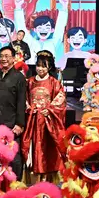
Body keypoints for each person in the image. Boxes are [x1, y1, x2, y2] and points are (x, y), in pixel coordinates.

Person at [22, 53, 66, 185]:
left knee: (48, 149)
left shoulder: (54, 83)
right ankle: (34, 179)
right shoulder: (29, 82)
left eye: (44, 66)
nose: (40, 69)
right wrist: (29, 108)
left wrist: (50, 109)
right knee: (33, 148)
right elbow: (24, 99)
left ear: (49, 67)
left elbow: (61, 99)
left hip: (48, 122)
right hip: (33, 121)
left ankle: (48, 179)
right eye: (38, 66)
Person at [0, 45, 26, 178]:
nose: (4, 59)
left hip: (12, 123)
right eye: (1, 56)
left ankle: (15, 182)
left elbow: (21, 102)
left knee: (13, 155)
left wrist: (20, 124)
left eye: (7, 56)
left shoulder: (19, 77)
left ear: (13, 59)